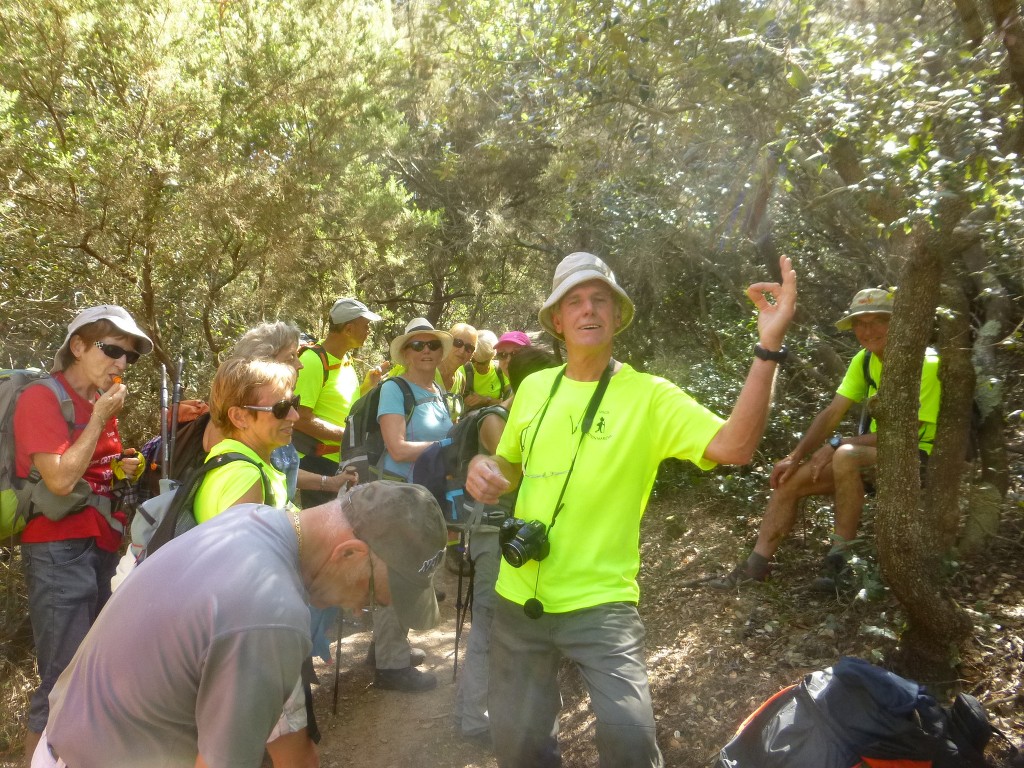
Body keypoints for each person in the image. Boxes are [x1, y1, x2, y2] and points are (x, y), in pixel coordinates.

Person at [466, 251, 797, 767]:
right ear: (557, 321)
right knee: (518, 746)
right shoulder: (532, 388)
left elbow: (736, 446)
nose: (588, 310)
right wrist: (486, 472)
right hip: (517, 598)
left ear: (618, 315)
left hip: (601, 604)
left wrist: (768, 346)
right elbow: (509, 465)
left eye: (600, 300)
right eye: (574, 302)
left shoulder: (649, 397)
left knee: (630, 741)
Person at [35, 482, 448, 768]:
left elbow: (289, 742)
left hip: (68, 746)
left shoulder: (254, 519)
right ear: (349, 554)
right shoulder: (272, 613)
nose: (359, 612)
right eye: (373, 598)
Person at [709, 287, 941, 592]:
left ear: (896, 323)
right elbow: (832, 412)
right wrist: (796, 455)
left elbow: (907, 434)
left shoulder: (926, 363)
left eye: (877, 321)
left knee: (845, 454)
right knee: (789, 479)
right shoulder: (865, 360)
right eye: (860, 322)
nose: (867, 330)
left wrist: (835, 445)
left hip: (916, 457)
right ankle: (756, 565)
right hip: (871, 455)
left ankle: (837, 563)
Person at [14, 305, 153, 763]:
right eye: (112, 350)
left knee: (92, 669)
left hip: (99, 545)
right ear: (77, 346)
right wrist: (99, 418)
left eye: (128, 357)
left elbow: (90, 469)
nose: (120, 363)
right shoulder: (42, 398)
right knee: (62, 677)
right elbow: (58, 479)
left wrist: (120, 466)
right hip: (57, 550)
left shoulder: (98, 400)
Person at [453, 347, 558, 743]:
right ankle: (475, 719)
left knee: (495, 622)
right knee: (489, 623)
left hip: (499, 534)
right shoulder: (497, 420)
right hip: (491, 534)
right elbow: (515, 473)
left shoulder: (514, 416)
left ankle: (479, 711)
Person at [370, 318, 455, 692]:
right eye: (417, 345)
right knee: (394, 576)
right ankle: (390, 667)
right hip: (397, 495)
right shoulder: (395, 389)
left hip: (423, 496)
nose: (426, 351)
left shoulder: (437, 391)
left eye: (432, 345)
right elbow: (398, 448)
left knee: (411, 575)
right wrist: (447, 449)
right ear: (405, 352)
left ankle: (387, 647)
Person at [294, 297, 381, 506]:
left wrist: (366, 387)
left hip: (340, 462)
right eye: (365, 326)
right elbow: (300, 418)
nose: (369, 331)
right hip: (317, 462)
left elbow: (339, 406)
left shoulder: (345, 360)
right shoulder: (313, 361)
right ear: (349, 329)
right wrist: (346, 435)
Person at [463, 330, 510, 412]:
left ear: (492, 357)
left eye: (482, 363)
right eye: (473, 360)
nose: (476, 365)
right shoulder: (463, 369)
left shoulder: (501, 370)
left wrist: (486, 400)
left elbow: (511, 403)